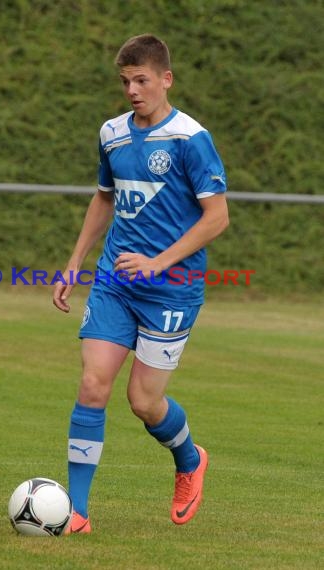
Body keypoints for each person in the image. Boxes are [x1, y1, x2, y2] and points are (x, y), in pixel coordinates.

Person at [53, 33, 229, 535]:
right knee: (92, 385)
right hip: (115, 282)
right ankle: (78, 512)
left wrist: (158, 262)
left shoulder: (190, 138)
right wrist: (75, 262)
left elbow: (217, 217)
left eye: (142, 80)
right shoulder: (111, 133)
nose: (132, 90)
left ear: (166, 79)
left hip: (172, 289)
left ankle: (190, 459)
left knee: (144, 402)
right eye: (126, 81)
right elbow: (104, 198)